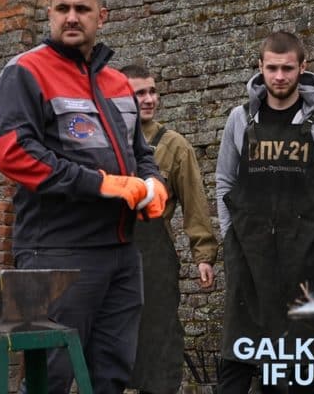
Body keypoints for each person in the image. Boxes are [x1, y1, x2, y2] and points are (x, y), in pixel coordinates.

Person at [0, 0, 169, 394]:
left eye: (82, 10)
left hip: (122, 254)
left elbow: (139, 149)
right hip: (55, 251)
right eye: (62, 9)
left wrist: (152, 181)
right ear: (49, 14)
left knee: (111, 374)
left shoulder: (117, 82)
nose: (72, 18)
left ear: (101, 17)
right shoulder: (25, 72)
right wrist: (99, 185)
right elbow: (13, 153)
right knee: (47, 377)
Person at [215, 31, 314, 394]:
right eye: (272, 68)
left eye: (287, 68)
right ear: (260, 68)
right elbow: (224, 181)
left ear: (302, 68)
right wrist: (231, 235)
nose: (279, 77)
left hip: (308, 261)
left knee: (302, 368)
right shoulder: (239, 120)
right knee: (238, 360)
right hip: (251, 257)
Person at [120, 64, 219, 394]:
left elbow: (195, 203)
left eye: (152, 91)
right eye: (139, 93)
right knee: (110, 341)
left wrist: (203, 255)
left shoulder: (174, 146)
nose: (149, 99)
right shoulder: (105, 141)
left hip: (153, 261)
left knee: (159, 343)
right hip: (109, 253)